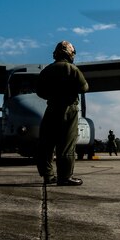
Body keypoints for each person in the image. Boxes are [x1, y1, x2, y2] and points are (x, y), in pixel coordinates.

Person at [35, 41, 89, 186]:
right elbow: (84, 88)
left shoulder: (47, 70)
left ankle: (48, 175)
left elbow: (40, 91)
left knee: (46, 143)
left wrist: (53, 96)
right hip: (69, 110)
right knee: (66, 144)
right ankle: (64, 177)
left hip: (51, 108)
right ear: (70, 53)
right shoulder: (72, 69)